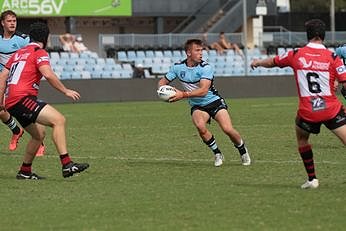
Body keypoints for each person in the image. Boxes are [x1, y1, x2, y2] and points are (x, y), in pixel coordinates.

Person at [250, 19, 346, 189]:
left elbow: (273, 62)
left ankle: (312, 179)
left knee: (302, 139)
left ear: (307, 35)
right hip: (331, 109)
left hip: (308, 111)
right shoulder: (334, 57)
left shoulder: (296, 54)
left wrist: (258, 62)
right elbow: (344, 81)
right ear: (323, 36)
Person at [0, 22, 89, 179]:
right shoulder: (38, 52)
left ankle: (24, 172)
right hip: (22, 98)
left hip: (11, 101)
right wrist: (65, 90)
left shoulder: (18, 53)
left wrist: (1, 102)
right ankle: (67, 164)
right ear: (46, 38)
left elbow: (2, 77)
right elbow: (48, 74)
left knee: (38, 134)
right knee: (59, 120)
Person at [157, 39, 251, 167]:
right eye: (197, 50)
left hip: (214, 102)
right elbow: (162, 83)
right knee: (201, 128)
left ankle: (242, 150)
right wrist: (166, 93)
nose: (201, 53)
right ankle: (217, 153)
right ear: (188, 53)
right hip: (197, 105)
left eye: (201, 50)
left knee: (227, 129)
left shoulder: (206, 68)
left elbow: (203, 91)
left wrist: (182, 94)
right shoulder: (178, 67)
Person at [0, 10, 45, 155]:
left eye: (14, 21)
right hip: (3, 79)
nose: (12, 23)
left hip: (19, 81)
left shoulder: (22, 39)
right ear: (2, 23)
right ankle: (16, 131)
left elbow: (36, 50)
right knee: (1, 109)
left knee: (26, 111)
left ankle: (39, 142)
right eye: (9, 21)